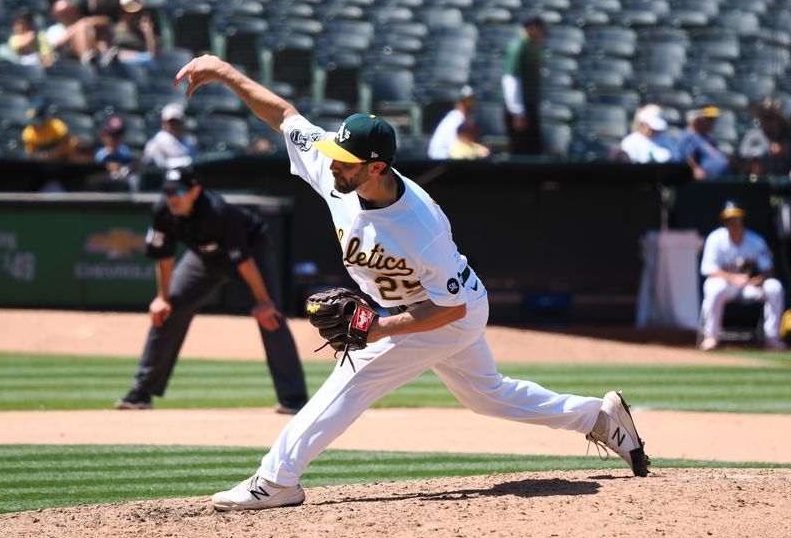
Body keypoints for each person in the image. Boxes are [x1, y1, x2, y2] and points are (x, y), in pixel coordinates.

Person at [173, 54, 651, 511]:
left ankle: (275, 481)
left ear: (377, 166)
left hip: (443, 312)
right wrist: (225, 72)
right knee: (489, 396)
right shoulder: (336, 170)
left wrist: (380, 329)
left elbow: (451, 310)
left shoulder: (420, 226)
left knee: (351, 381)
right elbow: (283, 116)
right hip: (436, 306)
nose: (331, 163)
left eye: (344, 160)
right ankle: (599, 417)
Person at [115, 165, 309, 413]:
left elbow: (243, 261)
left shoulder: (217, 212)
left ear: (195, 191)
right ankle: (141, 393)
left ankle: (293, 398)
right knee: (169, 309)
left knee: (270, 317)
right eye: (168, 191)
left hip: (251, 253)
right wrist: (162, 297)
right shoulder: (163, 210)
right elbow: (164, 257)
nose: (173, 197)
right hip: (205, 258)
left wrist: (262, 301)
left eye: (179, 192)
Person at [698, 200, 786, 351]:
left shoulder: (755, 241)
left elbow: (769, 270)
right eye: (730, 219)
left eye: (737, 219)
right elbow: (707, 269)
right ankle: (710, 337)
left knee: (774, 287)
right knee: (713, 287)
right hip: (726, 285)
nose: (734, 223)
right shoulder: (715, 238)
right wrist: (733, 278)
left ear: (743, 220)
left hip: (748, 286)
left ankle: (772, 338)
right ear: (724, 221)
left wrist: (761, 279)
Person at [501, 16, 546, 156]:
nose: (543, 35)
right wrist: (518, 112)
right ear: (531, 28)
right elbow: (511, 79)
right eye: (541, 30)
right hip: (520, 108)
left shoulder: (531, 46)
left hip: (529, 105)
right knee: (521, 150)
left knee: (533, 149)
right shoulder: (519, 46)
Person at [738, 98, 791, 178]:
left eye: (772, 118)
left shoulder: (787, 137)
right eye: (765, 118)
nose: (769, 123)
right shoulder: (752, 136)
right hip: (756, 181)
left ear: (779, 121)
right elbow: (744, 158)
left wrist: (783, 151)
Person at [678, 106, 734, 180]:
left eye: (713, 120)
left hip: (721, 177)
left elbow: (713, 155)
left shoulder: (709, 137)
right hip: (705, 180)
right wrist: (696, 169)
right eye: (709, 120)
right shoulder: (690, 136)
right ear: (698, 121)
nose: (712, 123)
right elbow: (688, 157)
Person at [427, 85, 482, 160]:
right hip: (441, 156)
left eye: (471, 100)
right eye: (466, 101)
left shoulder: (465, 117)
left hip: (450, 155)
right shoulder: (455, 117)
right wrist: (476, 150)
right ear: (460, 102)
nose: (470, 103)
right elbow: (454, 147)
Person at [142, 103, 197, 170]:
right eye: (171, 122)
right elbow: (160, 166)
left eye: (177, 122)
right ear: (163, 124)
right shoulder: (154, 144)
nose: (175, 125)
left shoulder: (189, 144)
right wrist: (186, 162)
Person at [21, 98, 78, 163]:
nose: (34, 126)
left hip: (63, 158)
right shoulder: (28, 134)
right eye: (32, 123)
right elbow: (31, 155)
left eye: (37, 123)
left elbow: (68, 144)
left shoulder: (57, 126)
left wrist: (54, 153)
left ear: (45, 118)